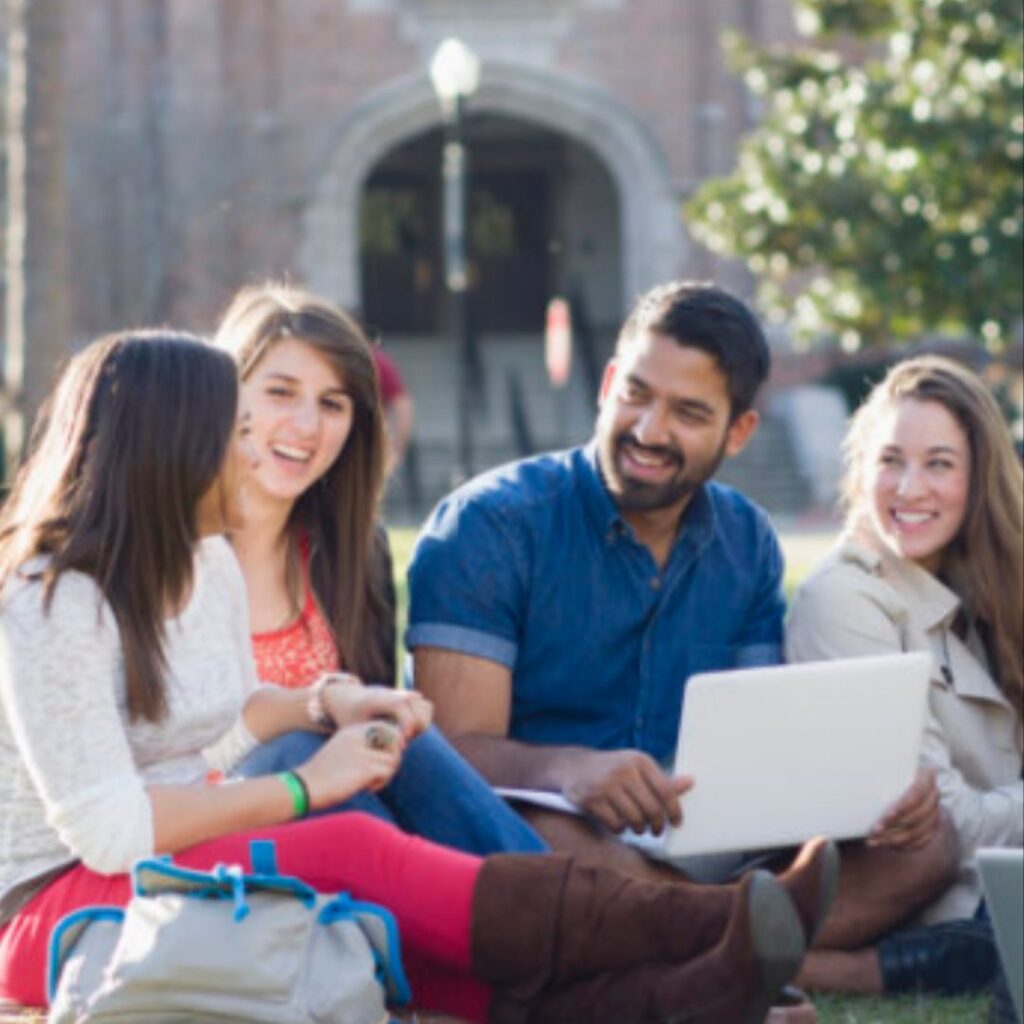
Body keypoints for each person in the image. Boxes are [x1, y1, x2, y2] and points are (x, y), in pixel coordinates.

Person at [0, 329, 834, 1022]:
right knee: (347, 843)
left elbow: (214, 728)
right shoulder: (50, 596)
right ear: (170, 447)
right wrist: (303, 790)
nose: (251, 449)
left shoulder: (200, 561)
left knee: (396, 929)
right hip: (50, 907)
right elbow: (106, 831)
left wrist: (325, 703)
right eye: (235, 431)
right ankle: (710, 923)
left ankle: (693, 995)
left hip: (167, 860)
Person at [407, 281, 958, 964]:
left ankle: (708, 943)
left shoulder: (746, 539)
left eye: (689, 413)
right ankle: (749, 942)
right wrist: (567, 770)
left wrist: (877, 794)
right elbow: (446, 752)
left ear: (739, 430)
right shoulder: (489, 524)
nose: (648, 430)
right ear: (608, 382)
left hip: (702, 838)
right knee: (555, 846)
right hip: (555, 827)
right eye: (636, 393)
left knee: (929, 843)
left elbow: (766, 739)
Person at [212, 282, 547, 858]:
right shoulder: (170, 552)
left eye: (332, 403)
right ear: (223, 395)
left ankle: (539, 902)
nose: (307, 425)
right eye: (280, 392)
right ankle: (520, 914)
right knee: (296, 745)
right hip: (209, 833)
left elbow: (377, 752)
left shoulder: (351, 550)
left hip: (341, 837)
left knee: (391, 734)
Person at [786, 355, 1023, 997]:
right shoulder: (845, 600)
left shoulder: (987, 586)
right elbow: (947, 820)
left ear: (978, 479)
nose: (909, 488)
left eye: (939, 464)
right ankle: (817, 972)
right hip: (937, 900)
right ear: (863, 469)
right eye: (891, 460)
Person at [373, 345, 416, 476]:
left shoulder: (374, 361)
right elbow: (403, 405)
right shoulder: (375, 360)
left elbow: (403, 404)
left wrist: (397, 451)